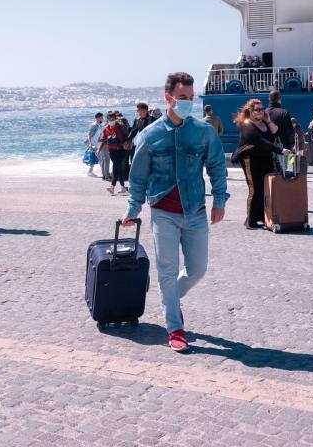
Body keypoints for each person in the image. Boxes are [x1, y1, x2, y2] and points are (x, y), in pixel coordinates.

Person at [122, 72, 228, 354]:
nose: (187, 104)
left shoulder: (203, 131)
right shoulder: (150, 135)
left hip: (195, 211)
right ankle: (175, 328)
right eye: (182, 98)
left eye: (191, 99)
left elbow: (217, 165)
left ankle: (169, 297)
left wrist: (220, 200)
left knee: (197, 269)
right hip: (163, 213)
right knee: (166, 272)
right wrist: (132, 210)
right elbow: (138, 179)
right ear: (167, 98)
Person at [232, 99, 291, 230]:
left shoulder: (264, 122)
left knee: (265, 188)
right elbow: (260, 141)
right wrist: (280, 150)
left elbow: (276, 132)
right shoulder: (246, 124)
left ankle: (262, 217)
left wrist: (268, 120)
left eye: (262, 108)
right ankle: (250, 220)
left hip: (264, 157)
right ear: (251, 112)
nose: (260, 111)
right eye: (257, 109)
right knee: (255, 189)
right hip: (250, 159)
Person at [97, 110, 129, 195]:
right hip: (112, 150)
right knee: (118, 168)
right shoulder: (106, 128)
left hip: (121, 150)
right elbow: (102, 139)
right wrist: (98, 149)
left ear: (115, 118)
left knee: (116, 167)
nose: (111, 121)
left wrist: (127, 144)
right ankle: (122, 187)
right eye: (109, 119)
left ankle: (112, 187)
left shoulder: (121, 126)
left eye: (112, 119)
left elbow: (127, 136)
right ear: (107, 119)